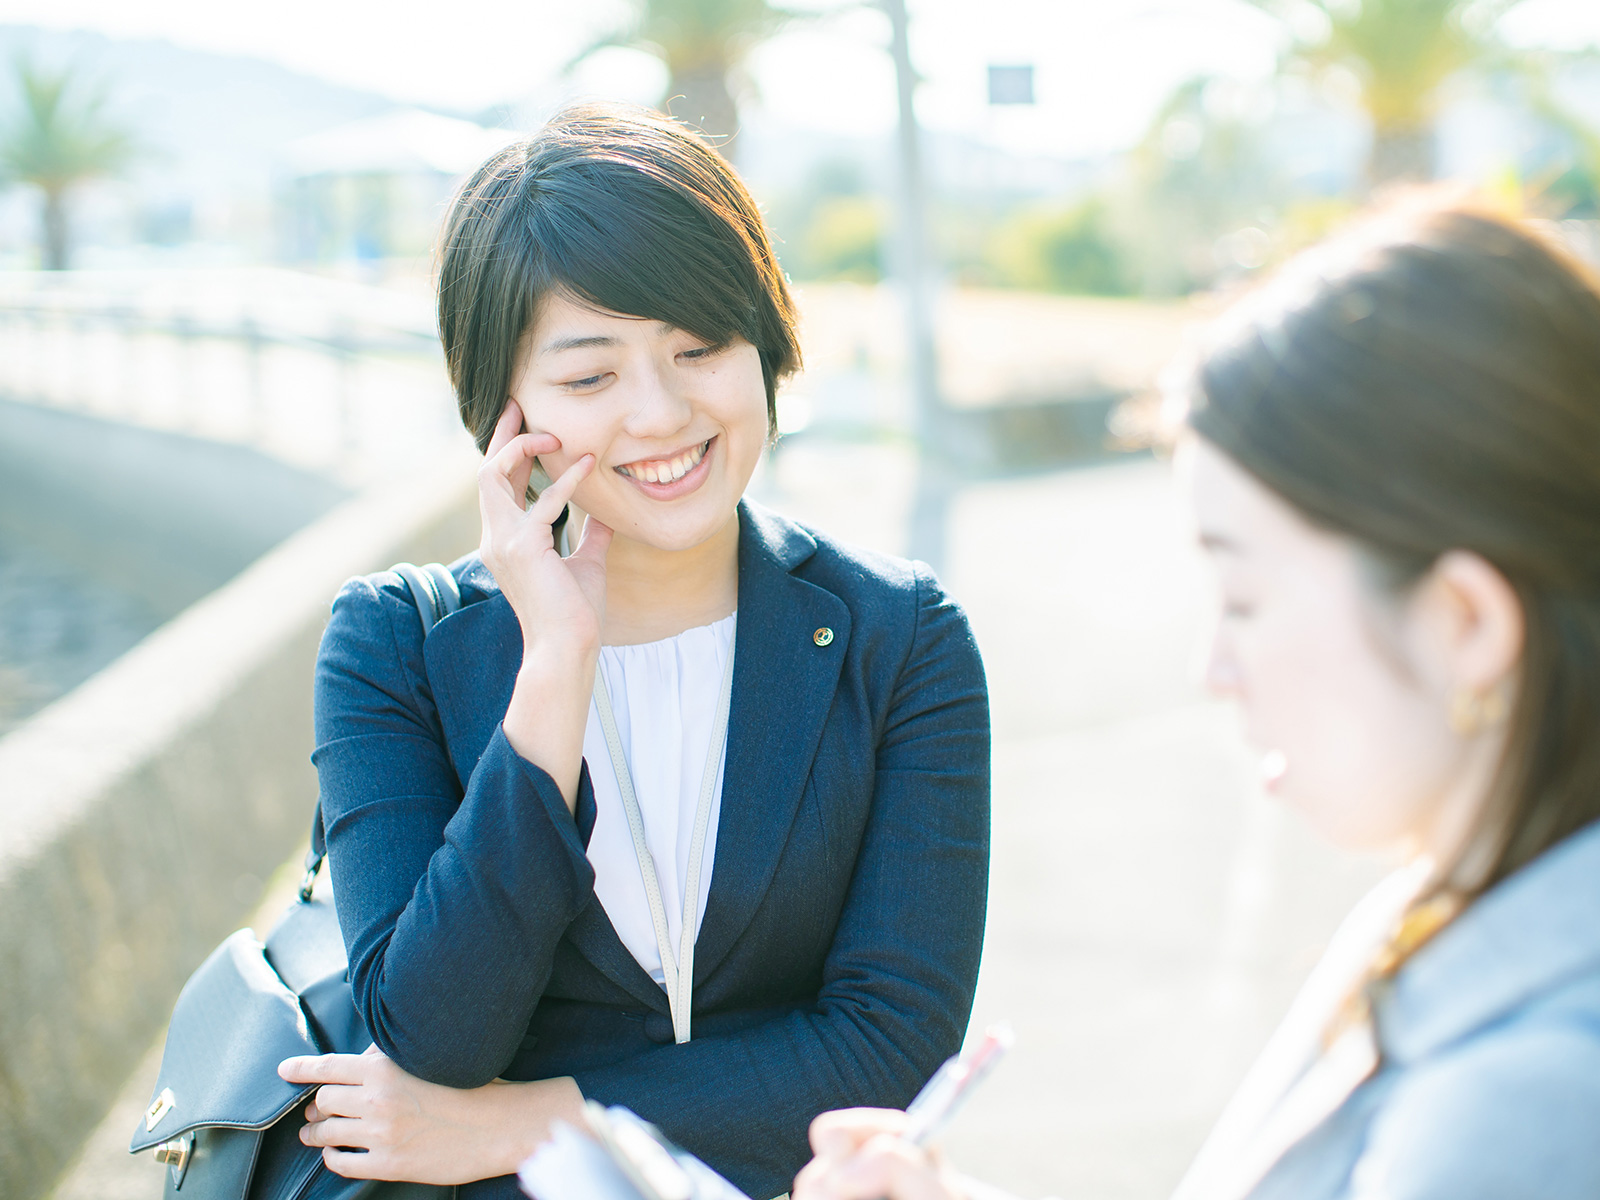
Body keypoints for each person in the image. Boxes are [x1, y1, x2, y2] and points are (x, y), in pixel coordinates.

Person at [792, 201, 1600, 1200]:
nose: (1210, 666)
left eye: (1246, 597)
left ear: (1464, 624)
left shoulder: (1526, 1106)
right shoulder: (1455, 903)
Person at [276, 103, 990, 1200]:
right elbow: (432, 1032)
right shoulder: (395, 645)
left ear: (765, 346)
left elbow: (890, 1044)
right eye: (591, 376)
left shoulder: (899, 638)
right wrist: (556, 665)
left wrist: (533, 1120)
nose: (660, 414)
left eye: (700, 348)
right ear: (503, 409)